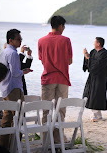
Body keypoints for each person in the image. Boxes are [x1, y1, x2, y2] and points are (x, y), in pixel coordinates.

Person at [38, 15, 73, 143]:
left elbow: (41, 59)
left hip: (48, 78)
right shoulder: (66, 40)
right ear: (60, 26)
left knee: (46, 110)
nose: (63, 28)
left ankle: (46, 141)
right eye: (63, 26)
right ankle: (58, 140)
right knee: (60, 110)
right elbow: (69, 61)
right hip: (62, 78)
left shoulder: (41, 41)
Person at [0, 29, 32, 150]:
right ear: (10, 40)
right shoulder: (12, 53)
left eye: (21, 39)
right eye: (18, 39)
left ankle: (4, 146)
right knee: (18, 118)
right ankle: (14, 146)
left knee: (7, 118)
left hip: (6, 87)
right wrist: (24, 71)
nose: (20, 41)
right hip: (14, 88)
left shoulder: (4, 52)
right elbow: (15, 73)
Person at [83, 37, 107, 122]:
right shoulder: (93, 51)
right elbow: (89, 63)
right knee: (91, 93)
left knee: (97, 94)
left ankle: (94, 115)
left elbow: (99, 64)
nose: (93, 43)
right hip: (92, 76)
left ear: (98, 44)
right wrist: (87, 57)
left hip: (101, 77)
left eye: (95, 42)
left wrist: (88, 57)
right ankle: (98, 114)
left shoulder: (105, 53)